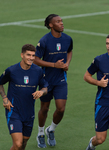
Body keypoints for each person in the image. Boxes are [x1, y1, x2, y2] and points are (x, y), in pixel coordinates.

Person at [34, 14, 73, 148]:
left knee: (61, 109)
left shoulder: (68, 39)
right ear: (51, 25)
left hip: (61, 79)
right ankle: (40, 133)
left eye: (61, 21)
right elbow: (35, 59)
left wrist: (67, 63)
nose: (61, 23)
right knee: (44, 108)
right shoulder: (44, 41)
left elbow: (69, 51)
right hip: (46, 81)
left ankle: (51, 129)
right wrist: (54, 65)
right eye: (57, 22)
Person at [0, 44, 48, 150]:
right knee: (17, 144)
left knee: (23, 144)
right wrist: (4, 98)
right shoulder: (11, 70)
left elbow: (45, 87)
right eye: (28, 55)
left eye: (33, 55)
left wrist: (41, 92)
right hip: (13, 111)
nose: (31, 58)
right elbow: (0, 83)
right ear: (22, 55)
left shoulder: (38, 71)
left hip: (29, 113)